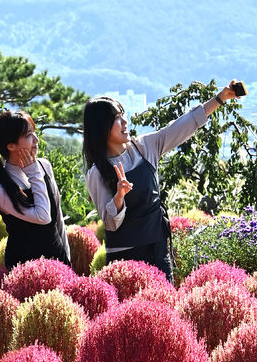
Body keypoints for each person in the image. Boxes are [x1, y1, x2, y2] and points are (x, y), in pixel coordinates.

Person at [83, 80, 247, 283]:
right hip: (125, 258)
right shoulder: (96, 172)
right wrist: (118, 198)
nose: (125, 122)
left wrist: (220, 98)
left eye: (123, 115)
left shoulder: (144, 147)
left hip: (158, 249)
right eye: (117, 118)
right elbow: (110, 224)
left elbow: (181, 127)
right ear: (101, 127)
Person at [0, 109, 71, 269]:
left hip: (58, 261)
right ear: (11, 146)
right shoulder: (1, 190)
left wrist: (67, 257)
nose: (36, 140)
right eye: (28, 135)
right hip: (25, 270)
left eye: (35, 133)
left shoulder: (44, 166)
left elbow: (57, 217)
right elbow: (43, 217)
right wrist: (32, 172)